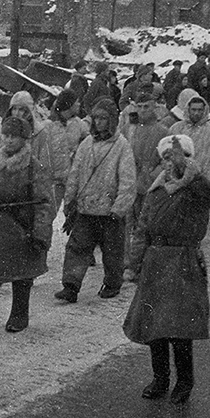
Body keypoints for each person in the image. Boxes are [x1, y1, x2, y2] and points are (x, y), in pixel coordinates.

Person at [123, 135, 210, 404]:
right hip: (155, 262)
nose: (171, 162)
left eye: (178, 156)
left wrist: (189, 171)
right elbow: (142, 229)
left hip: (183, 260)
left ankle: (185, 381)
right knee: (154, 325)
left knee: (179, 327)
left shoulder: (195, 190)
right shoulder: (155, 190)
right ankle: (160, 378)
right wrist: (134, 264)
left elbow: (208, 193)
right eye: (166, 158)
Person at [0, 117, 53, 333]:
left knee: (22, 275)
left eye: (13, 136)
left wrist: (41, 234)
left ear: (24, 139)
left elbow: (44, 203)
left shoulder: (34, 167)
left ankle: (18, 316)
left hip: (21, 227)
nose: (8, 140)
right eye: (5, 135)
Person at [55, 97, 136, 303]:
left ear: (112, 120)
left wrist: (120, 208)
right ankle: (71, 286)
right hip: (85, 208)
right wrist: (70, 200)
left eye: (103, 118)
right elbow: (75, 174)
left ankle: (112, 283)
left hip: (110, 211)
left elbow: (127, 181)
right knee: (77, 247)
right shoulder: (86, 144)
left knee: (112, 252)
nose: (98, 122)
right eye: (96, 118)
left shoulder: (121, 146)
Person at [120, 90, 169, 279]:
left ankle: (139, 263)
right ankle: (126, 262)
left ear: (154, 107)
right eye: (139, 107)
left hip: (149, 185)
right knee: (126, 225)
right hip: (128, 182)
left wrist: (153, 174)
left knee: (145, 226)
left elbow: (167, 160)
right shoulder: (129, 129)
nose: (142, 111)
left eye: (146, 107)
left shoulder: (162, 131)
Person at [168, 92, 210, 198]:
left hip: (203, 181)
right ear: (188, 110)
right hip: (179, 180)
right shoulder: (176, 128)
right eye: (193, 109)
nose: (196, 113)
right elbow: (167, 156)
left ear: (204, 111)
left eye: (200, 110)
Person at [47, 89, 91, 205]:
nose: (79, 104)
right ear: (69, 104)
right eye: (76, 102)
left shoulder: (77, 123)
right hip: (52, 180)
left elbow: (89, 138)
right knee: (49, 213)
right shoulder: (49, 126)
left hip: (71, 179)